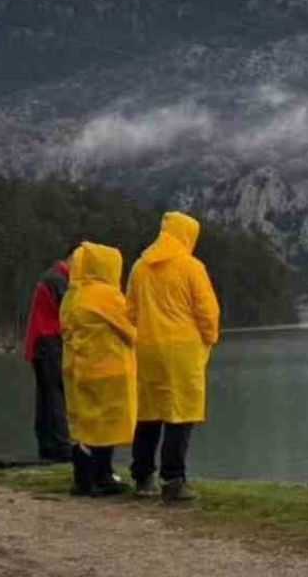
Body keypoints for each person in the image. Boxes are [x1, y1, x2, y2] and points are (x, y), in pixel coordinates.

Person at [126, 211, 221, 502]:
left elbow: (129, 311)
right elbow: (207, 312)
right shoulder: (192, 267)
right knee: (181, 414)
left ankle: (143, 477)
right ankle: (174, 480)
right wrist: (209, 338)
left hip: (147, 348)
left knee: (149, 413)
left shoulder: (139, 268)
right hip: (182, 350)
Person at [59, 241, 137, 496]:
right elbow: (131, 329)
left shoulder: (74, 295)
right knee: (105, 427)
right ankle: (100, 476)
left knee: (84, 426)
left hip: (78, 368)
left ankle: (84, 478)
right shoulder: (106, 296)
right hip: (107, 369)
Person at [23, 254, 73, 462]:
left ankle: (47, 446)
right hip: (48, 340)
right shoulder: (58, 280)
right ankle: (61, 446)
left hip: (42, 341)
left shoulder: (52, 277)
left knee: (46, 396)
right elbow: (71, 312)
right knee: (55, 395)